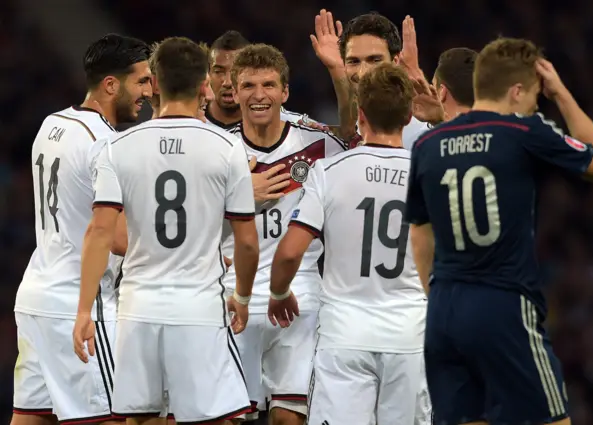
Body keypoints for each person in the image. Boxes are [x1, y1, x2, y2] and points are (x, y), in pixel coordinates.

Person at [406, 37, 593, 425]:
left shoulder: (429, 143)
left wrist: (434, 294)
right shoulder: (523, 129)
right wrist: (561, 93)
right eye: (536, 96)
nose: (537, 104)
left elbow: (420, 232)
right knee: (554, 421)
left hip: (444, 311)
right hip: (503, 303)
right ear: (517, 90)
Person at [73, 36, 259, 425]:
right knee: (213, 419)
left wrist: (84, 311)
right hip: (199, 307)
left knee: (140, 418)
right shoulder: (226, 148)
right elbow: (245, 240)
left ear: (154, 83)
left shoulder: (117, 147)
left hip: (138, 309)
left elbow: (100, 232)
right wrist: (241, 296)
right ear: (204, 85)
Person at [268, 63, 427, 425]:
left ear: (360, 114)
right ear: (407, 117)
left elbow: (291, 250)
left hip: (344, 334)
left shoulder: (330, 171)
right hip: (409, 334)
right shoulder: (428, 174)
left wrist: (279, 293)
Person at [11, 34, 151, 425]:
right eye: (141, 81)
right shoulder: (105, 145)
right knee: (110, 418)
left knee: (29, 417)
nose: (148, 91)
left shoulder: (51, 124)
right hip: (80, 305)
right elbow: (119, 239)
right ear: (110, 84)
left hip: (36, 297)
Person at [223, 43, 346, 425]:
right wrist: (243, 192)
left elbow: (357, 134)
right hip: (230, 296)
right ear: (234, 90)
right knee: (230, 417)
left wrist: (339, 72)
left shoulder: (317, 143)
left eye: (268, 85)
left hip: (301, 296)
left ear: (285, 91)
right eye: (248, 86)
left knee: (288, 417)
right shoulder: (217, 148)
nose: (259, 96)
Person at [310, 10, 436, 148]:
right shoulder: (346, 134)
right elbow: (350, 131)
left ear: (395, 61)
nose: (363, 72)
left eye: (375, 60)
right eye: (353, 61)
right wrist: (337, 71)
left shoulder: (424, 137)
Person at [206, 30, 318, 130]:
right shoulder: (192, 123)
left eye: (234, 72)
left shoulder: (295, 126)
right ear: (208, 74)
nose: (228, 82)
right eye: (219, 71)